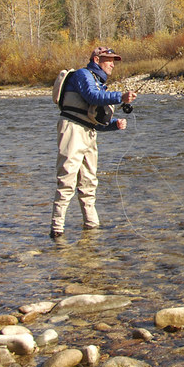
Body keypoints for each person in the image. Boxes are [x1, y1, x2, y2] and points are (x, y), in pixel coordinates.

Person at [51, 46, 137, 239]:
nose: (112, 64)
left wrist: (115, 124)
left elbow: (95, 122)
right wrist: (120, 97)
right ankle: (57, 229)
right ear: (97, 60)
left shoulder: (100, 84)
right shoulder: (83, 75)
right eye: (109, 60)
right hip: (72, 130)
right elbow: (92, 97)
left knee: (89, 182)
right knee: (67, 179)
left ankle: (91, 226)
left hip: (88, 133)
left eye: (114, 61)